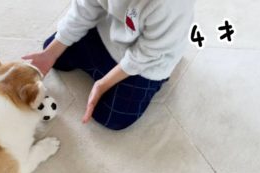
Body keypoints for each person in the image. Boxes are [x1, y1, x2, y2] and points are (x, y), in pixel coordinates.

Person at [23, 0, 194, 130]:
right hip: (109, 31)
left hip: (150, 59)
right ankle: (98, 66)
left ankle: (148, 82)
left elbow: (148, 53)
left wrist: (103, 83)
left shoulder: (172, 5)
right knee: (54, 52)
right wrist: (50, 54)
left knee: (112, 118)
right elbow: (84, 9)